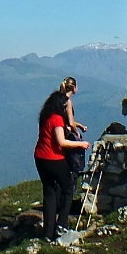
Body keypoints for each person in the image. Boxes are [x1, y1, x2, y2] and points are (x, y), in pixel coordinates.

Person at [33, 86, 90, 242]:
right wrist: (81, 144)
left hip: (40, 158)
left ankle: (47, 232)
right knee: (67, 189)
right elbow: (61, 142)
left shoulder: (45, 117)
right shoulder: (57, 119)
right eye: (65, 105)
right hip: (54, 159)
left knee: (49, 193)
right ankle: (62, 224)